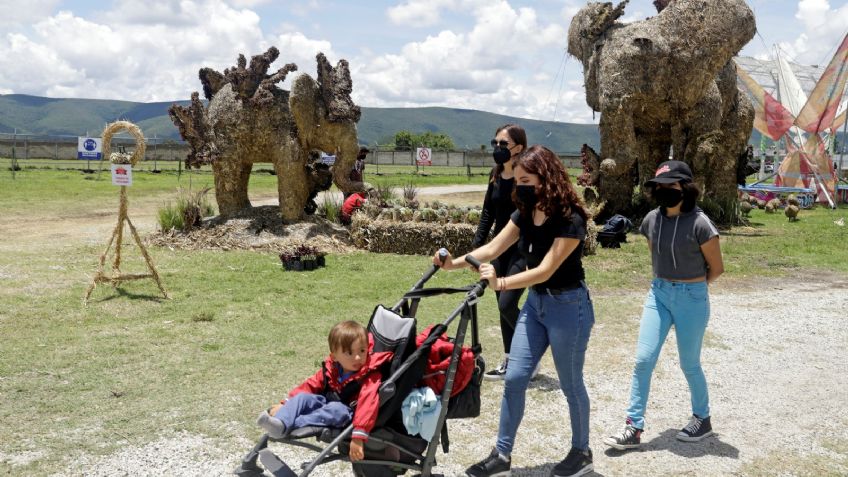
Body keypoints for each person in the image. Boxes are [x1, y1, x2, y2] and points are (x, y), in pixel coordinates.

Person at [434, 145, 596, 477]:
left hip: (568, 307)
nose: (518, 185)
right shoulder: (524, 211)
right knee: (516, 377)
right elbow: (493, 248)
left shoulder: (570, 217)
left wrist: (502, 283)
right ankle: (501, 457)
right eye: (517, 179)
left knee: (571, 384)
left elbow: (547, 269)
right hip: (536, 305)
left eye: (525, 179)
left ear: (546, 177)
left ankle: (581, 452)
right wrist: (451, 265)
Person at [604, 160, 724, 451]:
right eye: (659, 186)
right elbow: (655, 257)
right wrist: (669, 285)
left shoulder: (701, 223)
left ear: (685, 188)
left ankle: (702, 418)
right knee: (643, 360)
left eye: (670, 185)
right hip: (658, 294)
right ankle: (633, 426)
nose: (663, 190)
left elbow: (717, 268)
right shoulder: (650, 220)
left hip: (692, 296)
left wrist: (692, 288)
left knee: (690, 363)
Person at [256, 320, 392, 461]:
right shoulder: (332, 369)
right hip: (326, 402)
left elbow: (367, 405)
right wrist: (285, 403)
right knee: (303, 397)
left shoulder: (370, 376)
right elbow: (310, 385)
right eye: (349, 353)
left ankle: (288, 424)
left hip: (347, 414)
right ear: (334, 356)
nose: (357, 357)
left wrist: (358, 436)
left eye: (362, 351)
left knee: (335, 409)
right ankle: (282, 420)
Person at [472, 124, 530, 380]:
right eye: (495, 143)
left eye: (503, 144)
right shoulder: (494, 175)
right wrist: (478, 246)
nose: (498, 148)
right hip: (499, 251)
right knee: (500, 306)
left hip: (520, 251)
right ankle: (509, 359)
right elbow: (487, 213)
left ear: (519, 147)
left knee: (508, 305)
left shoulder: (525, 177)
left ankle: (529, 354)